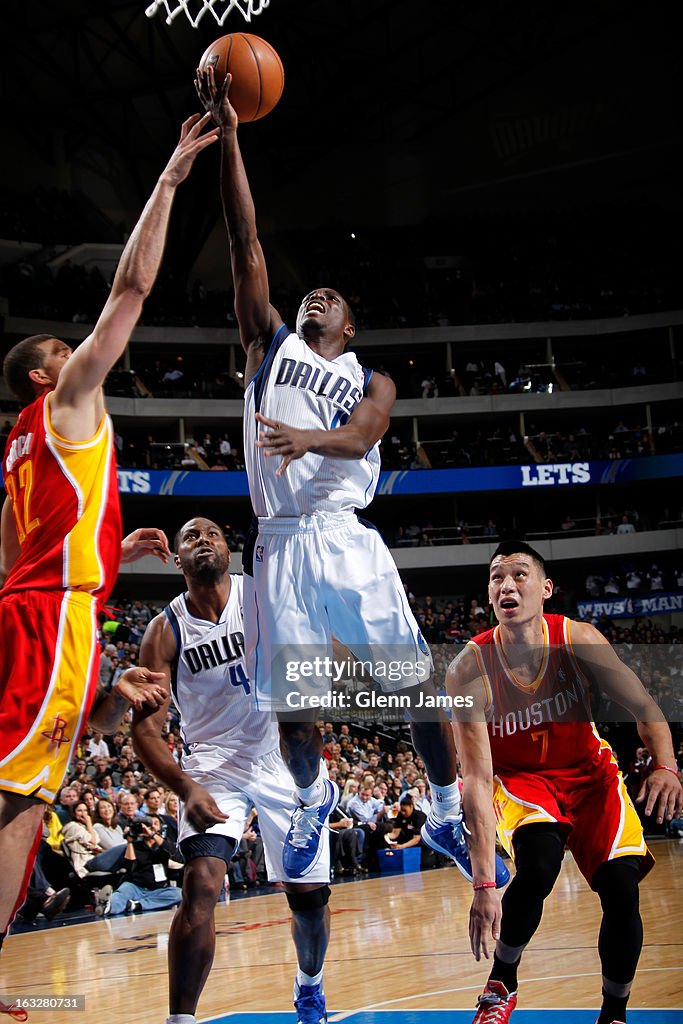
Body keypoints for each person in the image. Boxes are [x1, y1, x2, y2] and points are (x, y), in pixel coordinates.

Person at [195, 66, 508, 891]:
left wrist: (309, 436)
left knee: (414, 689)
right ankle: (311, 798)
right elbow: (244, 240)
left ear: (350, 325)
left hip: (346, 541)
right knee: (295, 714)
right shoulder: (269, 347)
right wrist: (230, 134)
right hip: (283, 548)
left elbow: (366, 433)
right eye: (311, 293)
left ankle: (442, 810)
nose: (316, 296)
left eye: (330, 297)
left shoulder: (374, 380)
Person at [0, 113, 219, 940]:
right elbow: (129, 291)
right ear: (38, 374)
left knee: (26, 787)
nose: (82, 354)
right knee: (24, 800)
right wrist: (167, 180)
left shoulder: (15, 451)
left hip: (40, 605)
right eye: (66, 349)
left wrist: (103, 553)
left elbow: (17, 556)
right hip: (54, 613)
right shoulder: (61, 401)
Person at [446, 540, 683, 1024]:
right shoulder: (468, 668)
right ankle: (501, 982)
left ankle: (613, 1013)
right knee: (538, 862)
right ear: (488, 594)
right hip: (520, 780)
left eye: (519, 575)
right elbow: (475, 778)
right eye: (496, 577)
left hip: (591, 775)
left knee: (621, 888)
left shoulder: (578, 639)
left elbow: (644, 706)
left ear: (546, 588)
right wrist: (484, 884)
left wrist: (666, 765)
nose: (507, 585)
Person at [132, 518, 333, 1024]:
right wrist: (186, 784)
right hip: (212, 765)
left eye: (213, 534)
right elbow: (146, 733)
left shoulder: (262, 596)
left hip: (277, 758)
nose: (203, 540)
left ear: (230, 549)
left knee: (308, 902)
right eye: (190, 537)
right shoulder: (164, 630)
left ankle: (309, 984)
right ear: (176, 559)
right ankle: (181, 1019)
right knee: (200, 885)